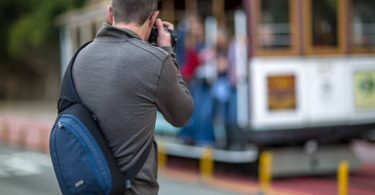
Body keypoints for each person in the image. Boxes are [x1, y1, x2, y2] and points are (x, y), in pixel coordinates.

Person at [72, 0, 193, 194]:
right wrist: (167, 51)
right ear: (153, 18)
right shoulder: (155, 61)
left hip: (87, 186)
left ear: (110, 13)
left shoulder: (78, 59)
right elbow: (182, 115)